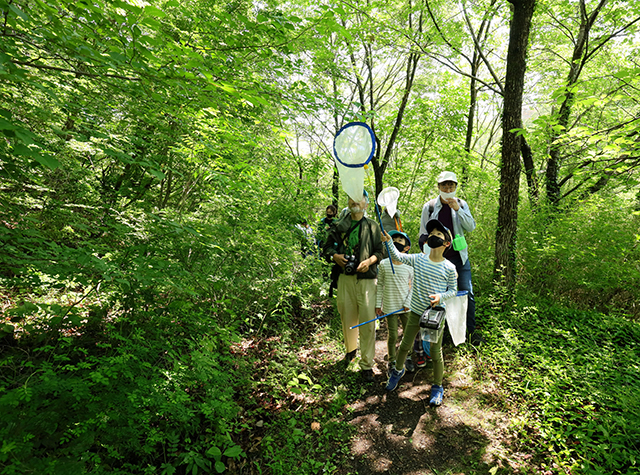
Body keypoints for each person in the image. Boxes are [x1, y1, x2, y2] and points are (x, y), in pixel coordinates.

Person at [383, 219, 458, 406]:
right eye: (431, 234)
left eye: (439, 235)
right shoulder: (418, 259)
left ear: (446, 243)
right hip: (416, 312)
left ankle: (437, 387)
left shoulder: (449, 267)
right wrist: (388, 242)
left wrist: (441, 297)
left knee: (435, 351)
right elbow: (398, 256)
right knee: (405, 345)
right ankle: (397, 371)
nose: (434, 236)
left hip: (435, 316)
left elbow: (453, 291)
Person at [323, 191, 383, 383]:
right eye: (352, 197)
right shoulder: (338, 226)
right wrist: (335, 256)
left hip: (367, 279)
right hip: (345, 279)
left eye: (360, 197)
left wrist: (370, 261)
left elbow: (380, 252)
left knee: (367, 322)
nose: (355, 200)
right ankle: (350, 351)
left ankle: (366, 364)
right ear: (347, 201)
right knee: (347, 317)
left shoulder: (373, 226)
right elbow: (326, 248)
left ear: (366, 204)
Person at [419, 171, 480, 345]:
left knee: (466, 294)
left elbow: (470, 227)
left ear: (455, 187)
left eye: (451, 185)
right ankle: (439, 332)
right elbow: (423, 233)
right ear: (438, 187)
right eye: (444, 185)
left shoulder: (461, 204)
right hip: (437, 261)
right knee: (438, 296)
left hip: (459, 258)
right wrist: (425, 259)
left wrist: (458, 210)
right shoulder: (429, 207)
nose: (447, 188)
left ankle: (470, 332)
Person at [375, 230, 414, 375]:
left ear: (406, 247)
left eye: (400, 239)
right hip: (390, 305)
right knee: (392, 334)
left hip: (406, 307)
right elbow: (380, 285)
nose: (396, 240)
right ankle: (391, 361)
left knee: (408, 333)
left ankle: (407, 356)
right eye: (394, 238)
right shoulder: (384, 264)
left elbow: (413, 286)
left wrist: (408, 302)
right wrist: (378, 304)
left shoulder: (410, 264)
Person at [317, 205, 340, 297]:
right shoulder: (322, 221)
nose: (329, 214)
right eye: (328, 212)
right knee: (324, 266)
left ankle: (332, 286)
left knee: (333, 267)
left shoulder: (336, 222)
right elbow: (318, 234)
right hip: (323, 246)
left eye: (331, 212)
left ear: (334, 213)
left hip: (334, 248)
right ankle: (324, 285)